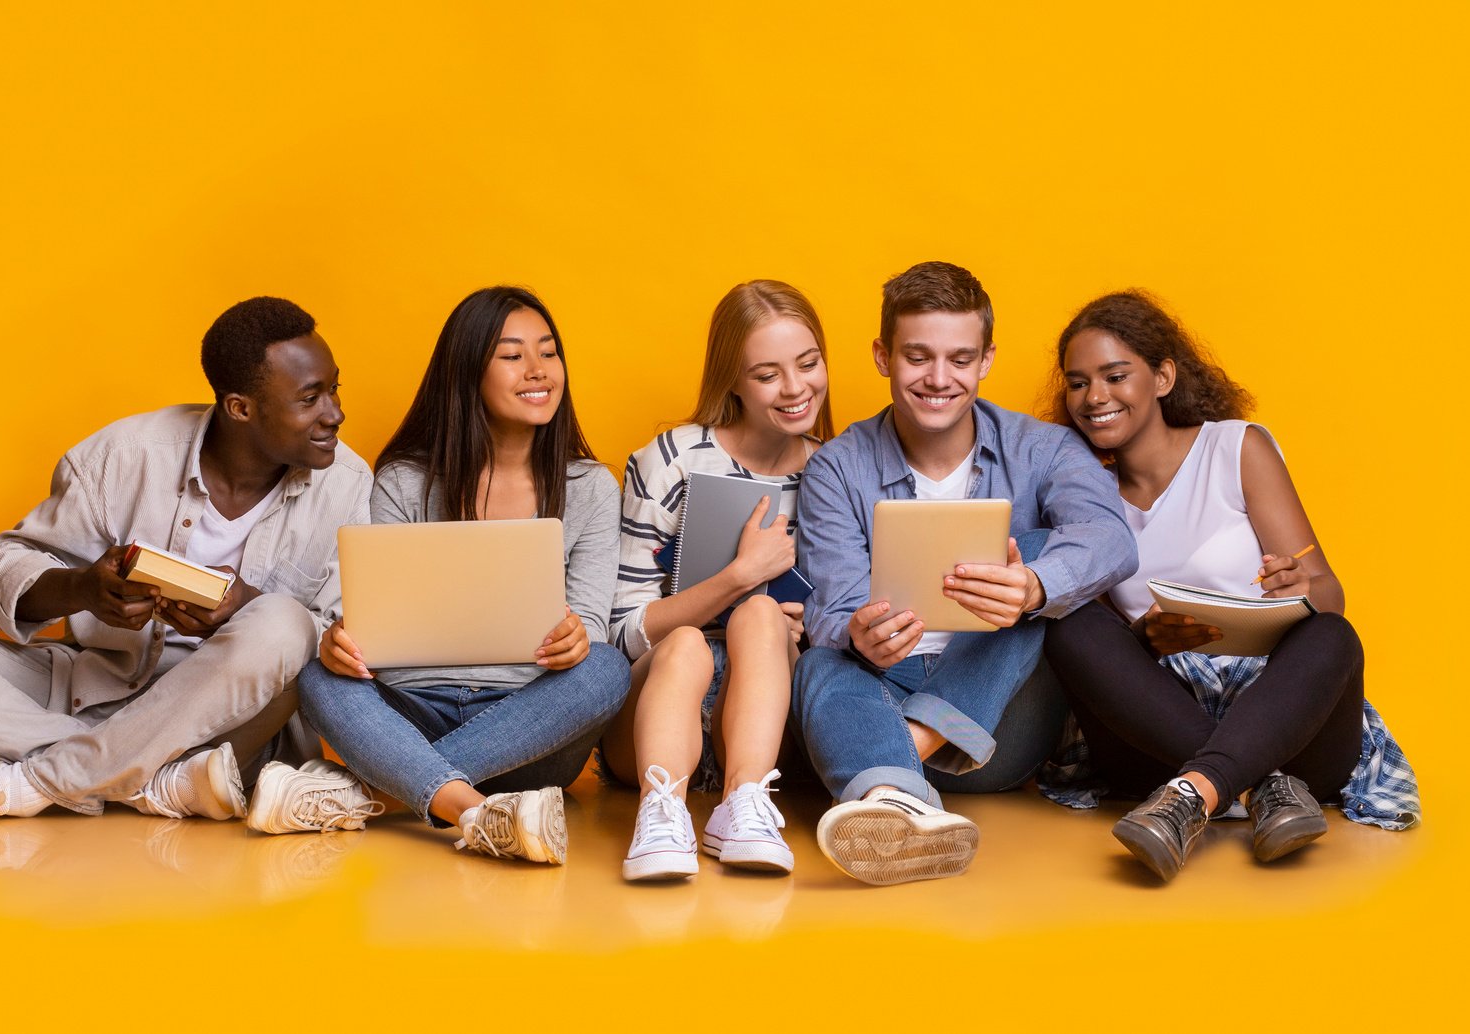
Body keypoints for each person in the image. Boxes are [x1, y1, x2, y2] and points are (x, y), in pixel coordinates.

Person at [0, 296, 372, 823]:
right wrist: (82, 589)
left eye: (334, 388)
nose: (335, 413)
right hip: (92, 690)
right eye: (311, 398)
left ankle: (31, 782)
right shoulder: (124, 455)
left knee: (285, 622)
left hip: (226, 724)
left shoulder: (348, 486)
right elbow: (9, 561)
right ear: (240, 407)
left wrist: (243, 604)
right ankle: (149, 782)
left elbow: (340, 641)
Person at [1041, 290, 1419, 880]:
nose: (1094, 398)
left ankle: (1197, 794)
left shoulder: (1236, 447)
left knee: (1334, 635)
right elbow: (1107, 658)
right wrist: (1144, 638)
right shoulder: (1080, 493)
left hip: (1288, 726)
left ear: (1163, 375)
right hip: (1158, 739)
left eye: (1115, 376)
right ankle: (1254, 785)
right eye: (1078, 382)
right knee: (1069, 628)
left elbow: (1328, 591)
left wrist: (1299, 588)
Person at [792, 261, 1137, 885]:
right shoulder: (837, 468)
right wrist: (857, 632)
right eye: (917, 357)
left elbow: (1110, 539)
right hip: (882, 681)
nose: (938, 379)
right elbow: (832, 607)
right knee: (820, 660)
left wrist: (1032, 586)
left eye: (959, 358)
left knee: (1032, 552)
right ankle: (901, 806)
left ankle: (901, 761)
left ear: (986, 360)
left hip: (999, 723)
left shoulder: (1046, 449)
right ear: (882, 356)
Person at [291, 285, 630, 863]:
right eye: (512, 354)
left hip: (531, 721)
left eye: (549, 353)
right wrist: (341, 641)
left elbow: (593, 621)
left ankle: (377, 792)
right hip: (410, 708)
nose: (538, 370)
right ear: (467, 371)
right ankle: (475, 810)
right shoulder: (402, 481)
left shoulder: (591, 487)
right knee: (316, 674)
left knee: (607, 667)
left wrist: (577, 638)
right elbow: (368, 612)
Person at [604, 280, 833, 881]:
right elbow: (624, 633)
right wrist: (740, 576)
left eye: (808, 364)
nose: (795, 388)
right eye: (766, 374)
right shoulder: (670, 460)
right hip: (656, 710)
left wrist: (816, 627)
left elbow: (850, 636)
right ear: (731, 380)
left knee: (762, 619)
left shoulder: (834, 470)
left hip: (764, 720)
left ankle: (746, 806)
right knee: (685, 643)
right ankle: (663, 813)